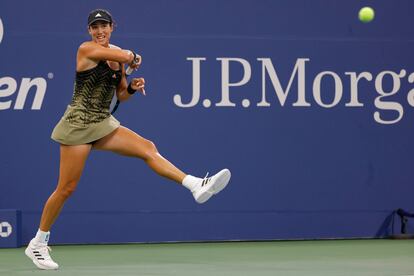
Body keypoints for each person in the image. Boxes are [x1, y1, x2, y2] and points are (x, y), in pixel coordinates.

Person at [24, 9, 231, 270]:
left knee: (147, 148)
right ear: (89, 31)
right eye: (95, 27)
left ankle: (195, 184)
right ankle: (38, 243)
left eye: (104, 26)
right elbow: (125, 55)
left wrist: (132, 86)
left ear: (112, 27)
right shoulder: (86, 50)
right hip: (77, 124)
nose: (99, 31)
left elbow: (120, 94)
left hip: (101, 121)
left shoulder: (118, 57)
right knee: (66, 188)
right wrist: (132, 57)